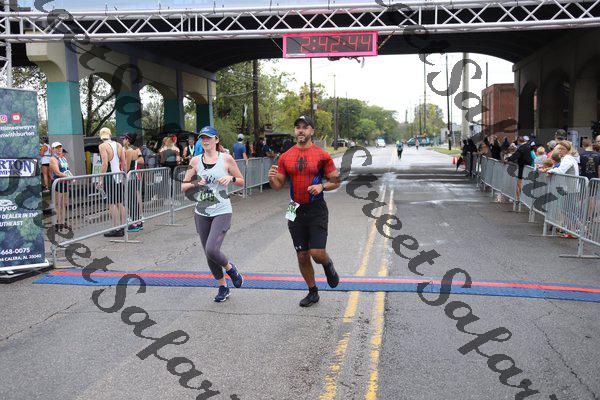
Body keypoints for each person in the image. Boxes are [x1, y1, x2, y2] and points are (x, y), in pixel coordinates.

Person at [268, 115, 341, 307]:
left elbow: (336, 181)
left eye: (305, 127)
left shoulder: (322, 155)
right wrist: (271, 178)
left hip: (316, 209)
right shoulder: (286, 156)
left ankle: (328, 265)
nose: (301, 130)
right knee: (302, 254)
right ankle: (312, 292)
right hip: (295, 209)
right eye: (298, 127)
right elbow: (278, 185)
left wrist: (322, 186)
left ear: (311, 131)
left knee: (317, 252)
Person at [181, 126, 245, 302]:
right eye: (202, 138)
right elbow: (183, 186)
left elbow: (241, 181)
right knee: (208, 253)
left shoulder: (226, 159)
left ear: (216, 140)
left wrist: (231, 178)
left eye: (208, 137)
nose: (205, 141)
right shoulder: (195, 161)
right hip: (202, 211)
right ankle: (223, 286)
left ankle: (231, 269)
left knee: (212, 248)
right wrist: (195, 183)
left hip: (222, 210)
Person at [98, 127, 126, 237]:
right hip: (119, 175)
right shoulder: (119, 145)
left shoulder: (102, 146)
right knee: (120, 202)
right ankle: (123, 227)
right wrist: (125, 175)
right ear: (110, 134)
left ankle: (116, 228)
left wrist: (100, 179)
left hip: (109, 176)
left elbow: (105, 163)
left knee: (111, 203)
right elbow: (124, 162)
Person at [122, 133, 145, 232]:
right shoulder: (135, 151)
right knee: (134, 200)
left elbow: (127, 167)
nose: (122, 141)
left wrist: (121, 168)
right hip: (134, 177)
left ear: (127, 140)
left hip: (129, 177)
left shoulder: (129, 151)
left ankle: (134, 223)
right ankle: (138, 222)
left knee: (131, 200)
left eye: (123, 139)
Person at [49, 142, 72, 231]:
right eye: (56, 148)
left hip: (65, 183)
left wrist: (71, 176)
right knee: (57, 204)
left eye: (60, 147)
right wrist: (70, 177)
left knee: (64, 204)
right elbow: (57, 172)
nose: (59, 149)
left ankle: (62, 222)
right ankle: (56, 224)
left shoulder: (63, 158)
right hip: (57, 183)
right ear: (53, 149)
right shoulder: (53, 159)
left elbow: (67, 170)